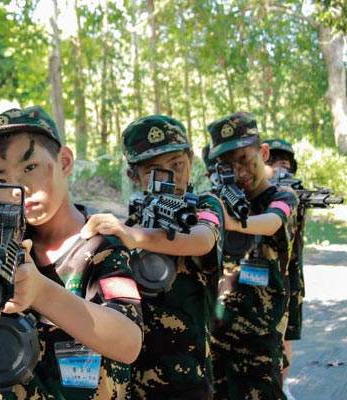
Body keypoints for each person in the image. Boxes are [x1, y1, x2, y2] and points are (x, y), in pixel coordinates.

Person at [0, 105, 143, 399]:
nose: (18, 186)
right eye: (1, 180)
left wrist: (40, 291)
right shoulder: (2, 234)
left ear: (64, 161)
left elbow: (128, 342)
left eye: (30, 167)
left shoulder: (100, 246)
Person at [81, 115, 225, 399]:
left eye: (176, 165)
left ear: (191, 159)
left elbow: (204, 240)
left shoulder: (204, 207)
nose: (169, 177)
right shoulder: (132, 221)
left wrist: (136, 237)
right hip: (133, 374)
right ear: (132, 176)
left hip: (187, 373)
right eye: (153, 171)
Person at [206, 112, 299, 400]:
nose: (238, 172)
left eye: (244, 159)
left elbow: (273, 221)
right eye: (226, 165)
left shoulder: (282, 198)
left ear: (263, 152)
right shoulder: (217, 202)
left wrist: (230, 222)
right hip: (215, 344)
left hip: (260, 348)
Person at [263, 138, 303, 400]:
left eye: (285, 165)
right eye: (273, 163)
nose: (280, 170)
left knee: (287, 333)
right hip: (263, 278)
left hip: (290, 276)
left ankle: (283, 383)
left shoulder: (293, 195)